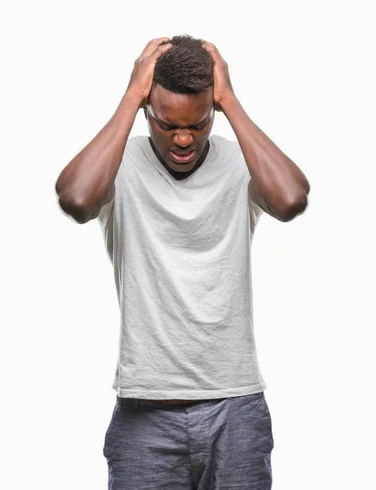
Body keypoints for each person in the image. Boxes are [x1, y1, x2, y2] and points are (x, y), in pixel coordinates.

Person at [55, 34, 310, 489]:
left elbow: (291, 200)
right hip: (145, 413)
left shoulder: (240, 163)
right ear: (147, 111)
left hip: (234, 407)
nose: (184, 138)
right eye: (166, 123)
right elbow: (75, 200)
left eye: (199, 123)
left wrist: (229, 99)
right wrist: (132, 94)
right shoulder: (119, 164)